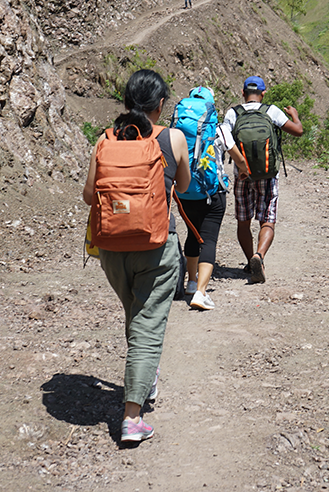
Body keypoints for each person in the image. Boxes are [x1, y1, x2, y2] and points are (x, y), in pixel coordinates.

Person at [82, 70, 190, 443]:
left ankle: (144, 379)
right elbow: (186, 186)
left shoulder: (105, 140)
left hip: (111, 247)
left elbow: (87, 195)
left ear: (126, 103)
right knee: (148, 326)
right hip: (157, 246)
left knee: (136, 315)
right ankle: (132, 417)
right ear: (161, 105)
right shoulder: (173, 138)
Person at [220, 76, 302, 284]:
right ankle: (260, 256)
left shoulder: (233, 113)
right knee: (267, 219)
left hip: (242, 175)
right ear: (263, 93)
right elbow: (298, 131)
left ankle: (250, 260)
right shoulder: (271, 110)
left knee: (243, 221)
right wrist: (295, 115)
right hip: (267, 175)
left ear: (243, 93)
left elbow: (223, 139)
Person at [172, 87, 244, 310]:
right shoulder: (219, 129)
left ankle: (191, 283)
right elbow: (237, 158)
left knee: (193, 236)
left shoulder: (176, 129)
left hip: (184, 193)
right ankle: (201, 293)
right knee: (208, 239)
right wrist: (244, 170)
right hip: (213, 193)